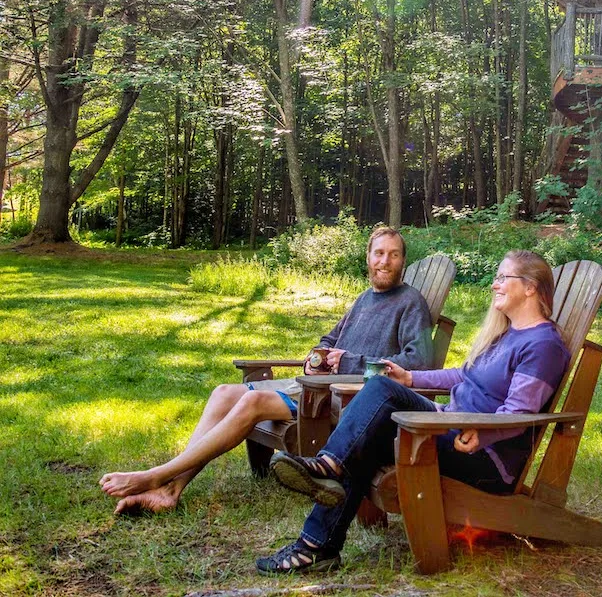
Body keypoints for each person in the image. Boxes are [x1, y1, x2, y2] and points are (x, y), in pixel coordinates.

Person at [255, 250, 570, 575]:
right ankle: (314, 548)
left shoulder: (543, 345)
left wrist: (484, 432)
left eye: (503, 277)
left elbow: (519, 414)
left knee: (380, 392)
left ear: (530, 287)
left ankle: (328, 471)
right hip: (451, 425)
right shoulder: (507, 335)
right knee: (374, 416)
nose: (494, 285)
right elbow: (463, 375)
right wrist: (409, 378)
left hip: (484, 457)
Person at [98, 227, 434, 515]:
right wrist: (316, 356)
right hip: (316, 385)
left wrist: (349, 362)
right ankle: (171, 489)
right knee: (223, 393)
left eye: (393, 255)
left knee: (251, 404)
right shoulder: (364, 299)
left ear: (403, 260)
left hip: (347, 398)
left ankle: (158, 476)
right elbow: (330, 338)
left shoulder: (411, 302)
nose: (385, 261)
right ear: (368, 257)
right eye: (379, 253)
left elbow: (419, 361)